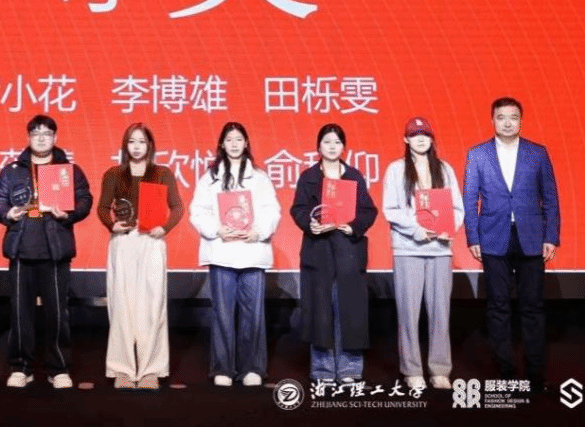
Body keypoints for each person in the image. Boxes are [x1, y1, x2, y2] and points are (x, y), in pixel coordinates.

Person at [463, 97, 560, 391]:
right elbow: (469, 199)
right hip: (493, 237)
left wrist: (551, 236)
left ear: (521, 121)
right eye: (501, 117)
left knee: (533, 307)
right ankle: (504, 371)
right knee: (498, 306)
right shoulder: (477, 154)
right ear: (492, 120)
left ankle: (535, 373)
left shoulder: (537, 153)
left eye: (513, 117)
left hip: (531, 237)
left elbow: (550, 197)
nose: (507, 122)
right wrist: (473, 237)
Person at [0, 114, 93, 389]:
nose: (41, 138)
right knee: (20, 313)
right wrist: (7, 212)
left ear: (55, 138)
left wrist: (68, 213)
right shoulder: (13, 171)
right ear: (28, 138)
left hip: (55, 249)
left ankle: (58, 368)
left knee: (57, 313)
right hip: (21, 249)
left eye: (47, 133)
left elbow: (85, 198)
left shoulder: (69, 171)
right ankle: (21, 367)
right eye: (36, 134)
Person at [188, 122, 281, 387]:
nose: (234, 144)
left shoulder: (260, 178)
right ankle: (223, 368)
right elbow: (198, 211)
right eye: (229, 139)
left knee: (253, 313)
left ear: (246, 143)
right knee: (222, 312)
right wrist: (217, 230)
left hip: (252, 251)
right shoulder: (210, 178)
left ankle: (252, 367)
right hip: (222, 251)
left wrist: (258, 232)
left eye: (239, 139)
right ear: (222, 144)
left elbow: (272, 211)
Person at [96, 123, 185, 390]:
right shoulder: (114, 174)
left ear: (150, 145)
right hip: (123, 241)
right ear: (125, 145)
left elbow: (177, 207)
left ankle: (151, 369)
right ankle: (122, 369)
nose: (136, 147)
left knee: (152, 305)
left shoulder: (162, 173)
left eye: (142, 142)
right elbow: (102, 207)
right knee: (121, 305)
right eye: (132, 142)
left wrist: (164, 228)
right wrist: (111, 225)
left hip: (151, 241)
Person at [290, 123, 378, 385]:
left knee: (349, 309)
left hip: (348, 250)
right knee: (320, 311)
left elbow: (368, 210)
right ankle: (323, 370)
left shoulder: (354, 176)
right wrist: (310, 224)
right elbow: (298, 208)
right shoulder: (308, 177)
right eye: (327, 142)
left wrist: (353, 227)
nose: (332, 147)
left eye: (337, 142)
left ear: (344, 147)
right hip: (318, 251)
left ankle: (350, 368)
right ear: (318, 146)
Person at [382, 117, 464, 390]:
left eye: (425, 134)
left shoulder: (444, 169)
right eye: (414, 134)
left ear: (431, 139)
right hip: (408, 249)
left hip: (440, 250)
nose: (420, 139)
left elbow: (457, 208)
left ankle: (440, 369)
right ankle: (412, 370)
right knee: (408, 312)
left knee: (440, 312)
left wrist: (447, 228)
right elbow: (391, 210)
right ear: (406, 139)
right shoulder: (396, 170)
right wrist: (418, 230)